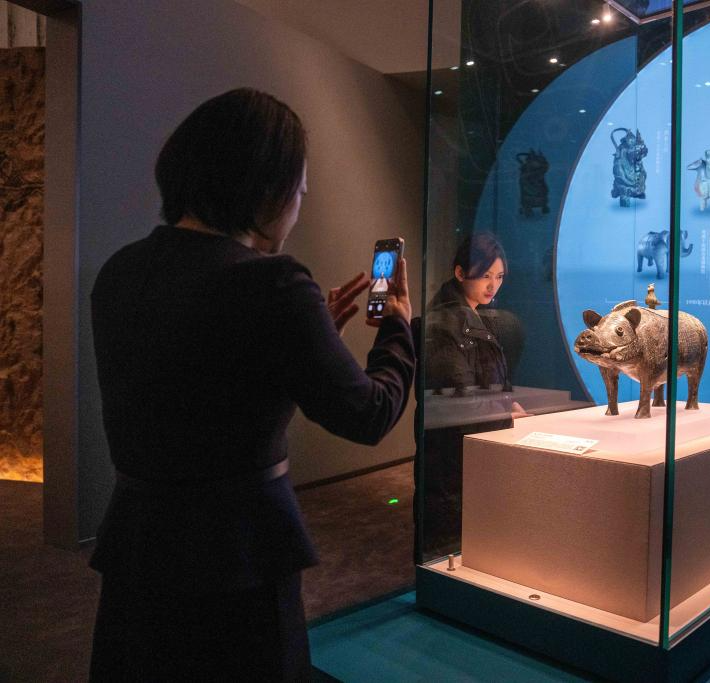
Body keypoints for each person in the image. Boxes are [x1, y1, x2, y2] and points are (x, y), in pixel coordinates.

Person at [88, 88, 415, 681]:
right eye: (299, 191)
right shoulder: (273, 284)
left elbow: (200, 379)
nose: (298, 207)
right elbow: (368, 415)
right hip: (236, 553)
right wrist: (397, 326)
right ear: (267, 189)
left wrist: (304, 336)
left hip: (139, 543)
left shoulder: (119, 271)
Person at [414, 233, 525, 561]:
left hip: (468, 455)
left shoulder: (475, 317)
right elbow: (458, 400)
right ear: (460, 273)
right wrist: (503, 411)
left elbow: (481, 380)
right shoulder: (444, 323)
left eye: (499, 277)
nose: (493, 286)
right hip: (451, 460)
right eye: (485, 275)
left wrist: (506, 404)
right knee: (449, 553)